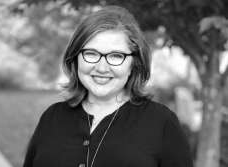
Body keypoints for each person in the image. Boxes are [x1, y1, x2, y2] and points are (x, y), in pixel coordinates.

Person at [23, 5, 193, 167]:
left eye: (116, 56)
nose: (102, 68)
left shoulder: (161, 123)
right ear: (75, 58)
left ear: (134, 63)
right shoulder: (52, 118)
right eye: (91, 53)